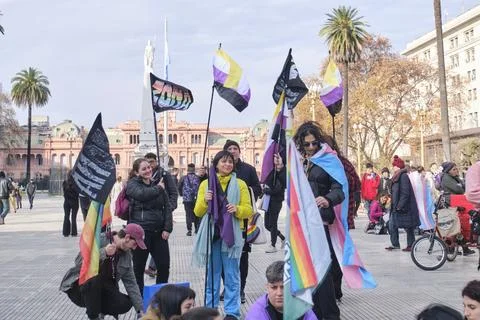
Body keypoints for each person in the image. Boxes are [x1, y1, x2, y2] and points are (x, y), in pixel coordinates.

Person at [293, 121, 344, 319]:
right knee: (306, 271)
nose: (312, 147)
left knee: (324, 271)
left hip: (320, 222)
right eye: (307, 144)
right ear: (300, 144)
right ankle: (312, 312)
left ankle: (330, 314)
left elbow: (340, 190)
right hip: (300, 224)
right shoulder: (297, 162)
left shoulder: (330, 160)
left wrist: (327, 199)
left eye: (315, 143)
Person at [193, 150, 253, 320]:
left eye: (230, 162)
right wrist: (205, 199)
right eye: (223, 161)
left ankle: (232, 312)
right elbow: (197, 212)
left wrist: (237, 209)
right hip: (212, 235)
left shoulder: (240, 184)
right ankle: (210, 311)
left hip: (232, 236)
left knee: (232, 276)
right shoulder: (206, 184)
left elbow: (248, 210)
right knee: (212, 275)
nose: (227, 165)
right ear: (216, 164)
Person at [60, 223, 146, 320]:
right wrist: (103, 252)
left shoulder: (127, 255)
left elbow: (131, 283)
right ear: (127, 237)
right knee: (95, 280)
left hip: (104, 289)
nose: (134, 248)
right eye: (135, 244)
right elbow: (78, 261)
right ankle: (94, 316)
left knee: (125, 303)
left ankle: (99, 309)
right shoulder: (99, 239)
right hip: (82, 287)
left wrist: (140, 311)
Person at [223, 139, 262, 304]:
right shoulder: (220, 169)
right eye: (229, 149)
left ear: (239, 151)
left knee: (242, 257)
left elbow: (258, 190)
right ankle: (228, 287)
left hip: (243, 220)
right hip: (224, 221)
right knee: (225, 254)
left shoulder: (249, 169)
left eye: (235, 148)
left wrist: (243, 192)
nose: (233, 151)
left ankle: (240, 289)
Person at [126, 158, 173, 294]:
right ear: (136, 172)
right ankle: (140, 301)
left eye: (149, 167)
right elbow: (142, 195)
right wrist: (159, 188)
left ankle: (160, 297)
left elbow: (167, 208)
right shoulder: (132, 184)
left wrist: (167, 228)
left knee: (164, 266)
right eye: (144, 169)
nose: (148, 170)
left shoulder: (157, 184)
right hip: (140, 233)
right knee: (138, 268)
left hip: (159, 232)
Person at [144, 152, 178, 277]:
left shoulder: (165, 175)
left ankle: (154, 267)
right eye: (147, 163)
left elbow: (174, 193)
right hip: (147, 220)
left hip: (162, 218)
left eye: (152, 162)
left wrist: (170, 208)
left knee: (160, 245)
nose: (150, 165)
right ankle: (152, 267)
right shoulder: (141, 177)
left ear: (156, 162)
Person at [245, 260, 317, 320]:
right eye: (274, 287)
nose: (279, 293)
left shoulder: (303, 308)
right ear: (267, 287)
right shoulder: (257, 314)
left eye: (283, 287)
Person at [385, 155, 420, 252]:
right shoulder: (396, 176)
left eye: (394, 166)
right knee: (392, 224)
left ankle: (411, 244)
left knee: (408, 226)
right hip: (395, 205)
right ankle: (395, 244)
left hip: (404, 206)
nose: (393, 168)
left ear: (399, 167)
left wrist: (400, 205)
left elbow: (405, 193)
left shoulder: (403, 176)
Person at [263, 153, 286, 253]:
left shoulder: (282, 174)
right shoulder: (272, 172)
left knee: (273, 223)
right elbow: (267, 183)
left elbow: (279, 189)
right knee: (267, 225)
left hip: (276, 202)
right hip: (268, 201)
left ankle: (273, 245)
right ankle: (283, 238)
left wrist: (266, 191)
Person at [178, 163, 200, 236]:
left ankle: (189, 230)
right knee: (196, 213)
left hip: (187, 199)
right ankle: (197, 229)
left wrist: (182, 194)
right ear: (194, 169)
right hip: (196, 199)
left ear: (188, 169)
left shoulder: (183, 178)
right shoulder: (198, 178)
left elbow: (179, 187)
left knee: (188, 215)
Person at [62, 172, 79, 237]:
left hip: (66, 202)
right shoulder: (76, 183)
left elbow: (64, 194)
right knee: (73, 217)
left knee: (66, 216)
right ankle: (74, 232)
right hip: (74, 202)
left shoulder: (64, 183)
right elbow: (77, 194)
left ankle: (65, 232)